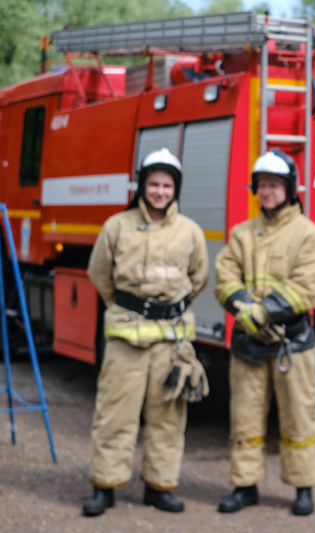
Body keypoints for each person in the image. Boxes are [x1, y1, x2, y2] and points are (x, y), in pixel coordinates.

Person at [83, 148, 210, 517]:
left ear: (175, 189)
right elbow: (99, 274)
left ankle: (160, 487)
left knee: (168, 419)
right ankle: (104, 487)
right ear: (142, 185)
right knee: (114, 415)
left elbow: (198, 278)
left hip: (171, 345)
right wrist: (128, 308)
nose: (159, 191)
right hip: (126, 340)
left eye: (166, 185)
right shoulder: (116, 226)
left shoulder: (190, 231)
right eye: (153, 183)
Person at [214, 148, 315, 516]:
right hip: (249, 344)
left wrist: (260, 312)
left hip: (292, 345)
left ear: (289, 189)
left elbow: (309, 287)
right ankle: (244, 486)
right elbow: (225, 277)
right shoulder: (241, 233)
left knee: (300, 416)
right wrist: (245, 310)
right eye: (262, 185)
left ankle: (303, 488)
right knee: (244, 416)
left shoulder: (309, 234)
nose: (267, 192)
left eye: (275, 185)